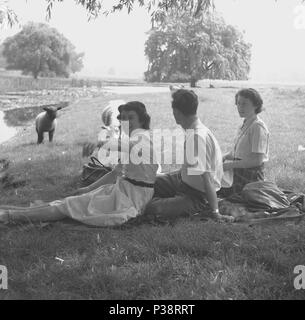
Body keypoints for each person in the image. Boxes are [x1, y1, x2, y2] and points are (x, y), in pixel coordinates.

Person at [0, 101, 159, 227]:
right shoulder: (134, 138)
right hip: (123, 191)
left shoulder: (142, 138)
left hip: (131, 198)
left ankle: (9, 216)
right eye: (123, 118)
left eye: (130, 117)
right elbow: (115, 173)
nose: (126, 122)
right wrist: (88, 188)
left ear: (142, 120)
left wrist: (99, 143)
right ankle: (13, 212)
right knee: (67, 202)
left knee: (67, 206)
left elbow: (126, 147)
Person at [143, 89, 233, 222]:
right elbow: (189, 168)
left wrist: (215, 212)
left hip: (197, 196)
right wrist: (164, 176)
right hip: (183, 181)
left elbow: (207, 178)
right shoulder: (195, 130)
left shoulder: (196, 137)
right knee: (146, 181)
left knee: (152, 208)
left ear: (177, 113)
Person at [219, 88, 269, 197]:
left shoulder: (257, 127)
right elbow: (238, 153)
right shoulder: (245, 124)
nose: (240, 107)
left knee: (212, 187)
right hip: (239, 171)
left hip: (250, 177)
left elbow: (257, 161)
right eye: (238, 103)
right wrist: (222, 157)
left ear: (256, 105)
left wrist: (229, 166)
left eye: (244, 104)